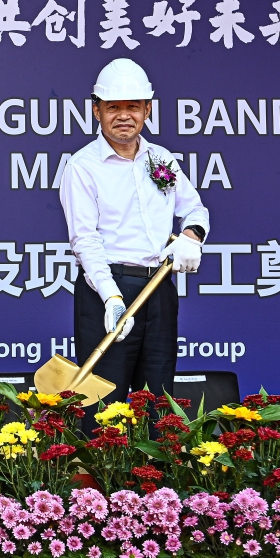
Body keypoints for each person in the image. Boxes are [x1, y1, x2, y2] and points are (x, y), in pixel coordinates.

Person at [59, 59, 210, 432]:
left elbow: (195, 209)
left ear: (148, 110)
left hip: (158, 287)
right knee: (103, 405)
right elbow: (84, 240)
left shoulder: (161, 159)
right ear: (96, 110)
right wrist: (111, 297)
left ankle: (156, 470)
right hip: (108, 290)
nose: (124, 116)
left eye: (133, 107)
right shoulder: (83, 166)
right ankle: (101, 473)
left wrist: (191, 235)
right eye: (113, 107)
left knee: (158, 401)